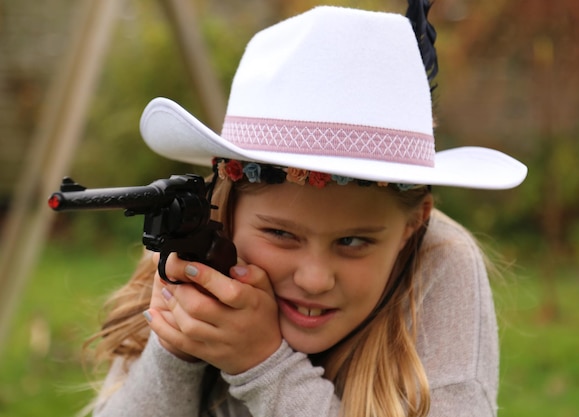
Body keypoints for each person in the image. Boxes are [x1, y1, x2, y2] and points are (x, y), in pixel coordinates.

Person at [87, 4, 527, 417]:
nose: (314, 279)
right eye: (281, 234)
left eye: (353, 242)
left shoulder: (442, 262)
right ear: (223, 207)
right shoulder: (191, 248)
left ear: (413, 225)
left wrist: (264, 367)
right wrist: (178, 347)